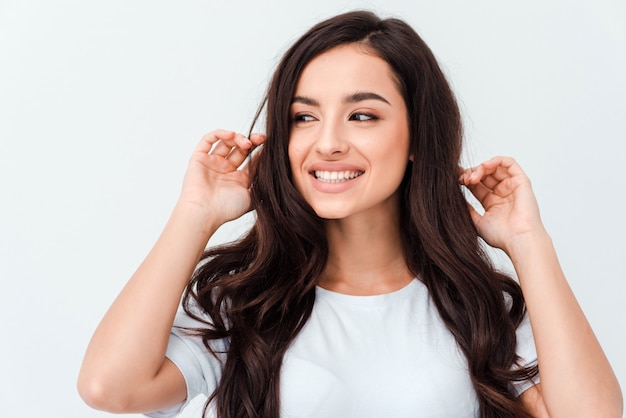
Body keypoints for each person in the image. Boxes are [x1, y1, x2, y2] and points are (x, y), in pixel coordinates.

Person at [77, 10, 622, 418]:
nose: (328, 143)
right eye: (304, 117)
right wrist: (195, 214)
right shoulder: (244, 304)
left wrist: (529, 241)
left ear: (415, 137)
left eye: (362, 115)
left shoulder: (480, 308)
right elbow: (110, 387)